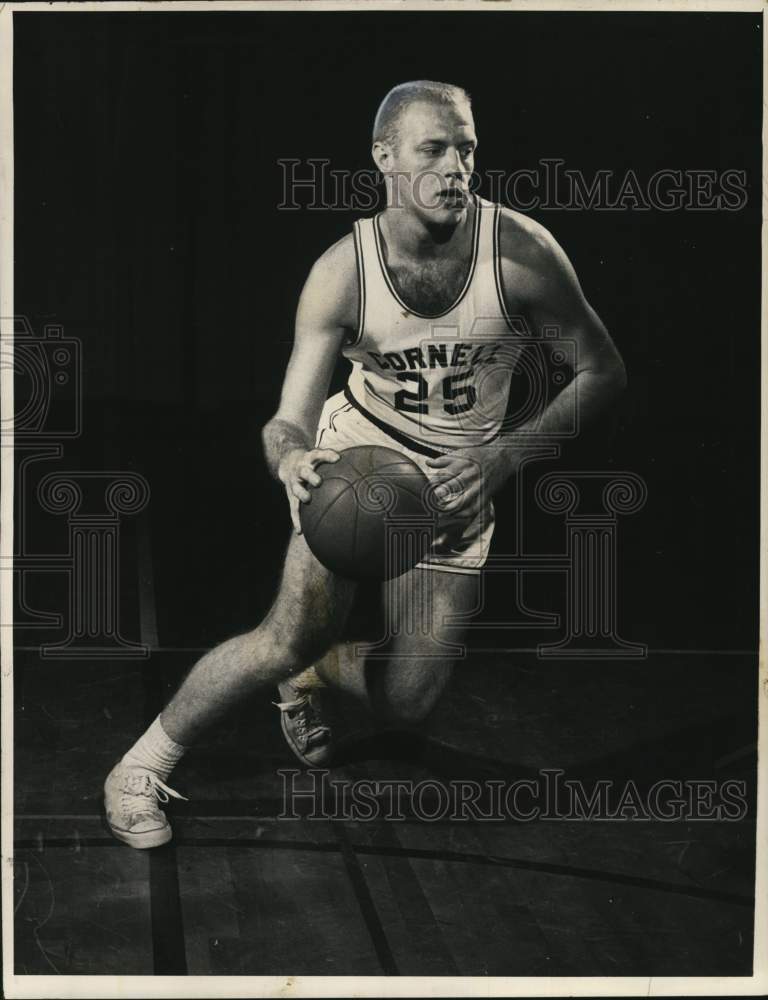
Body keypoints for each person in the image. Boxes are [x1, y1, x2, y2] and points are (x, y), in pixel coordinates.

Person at [104, 80, 626, 848]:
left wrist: (505, 456)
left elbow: (604, 371)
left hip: (461, 477)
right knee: (287, 633)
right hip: (362, 461)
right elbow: (287, 420)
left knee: (408, 704)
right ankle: (140, 767)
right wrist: (290, 461)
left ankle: (311, 676)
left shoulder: (520, 252)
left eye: (468, 148)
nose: (457, 167)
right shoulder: (343, 271)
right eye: (434, 149)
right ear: (384, 157)